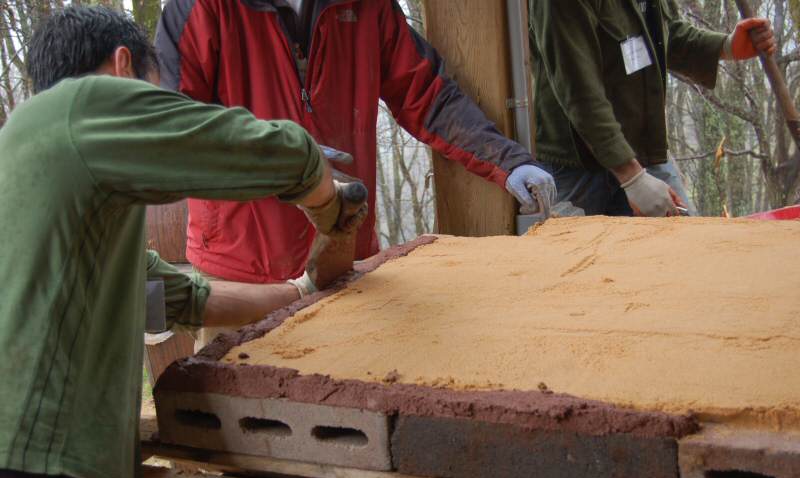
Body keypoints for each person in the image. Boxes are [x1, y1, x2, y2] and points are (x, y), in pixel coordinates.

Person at [0, 6, 366, 478]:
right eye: (155, 92)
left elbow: (185, 298)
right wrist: (330, 206)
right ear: (123, 67)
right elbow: (279, 155)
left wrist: (306, 290)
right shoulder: (82, 104)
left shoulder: (42, 177)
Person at [155, 0, 557, 345]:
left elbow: (427, 94)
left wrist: (508, 161)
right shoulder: (199, 7)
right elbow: (172, 129)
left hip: (345, 258)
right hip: (240, 268)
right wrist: (279, 159)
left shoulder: (368, 6)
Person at [529, 0, 776, 217]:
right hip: (578, 168)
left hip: (642, 153)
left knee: (688, 253)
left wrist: (727, 46)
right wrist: (632, 177)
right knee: (575, 260)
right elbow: (579, 88)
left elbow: (666, 34)